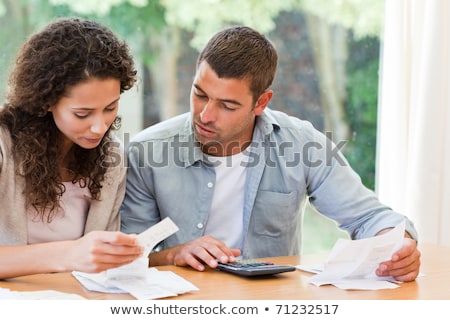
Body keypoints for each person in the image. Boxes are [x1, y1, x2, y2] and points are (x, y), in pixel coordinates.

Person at [120, 26, 421, 282]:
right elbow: (129, 257)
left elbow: (370, 217)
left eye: (227, 105)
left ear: (261, 102)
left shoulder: (301, 144)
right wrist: (174, 254)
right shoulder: (147, 152)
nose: (206, 115)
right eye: (200, 94)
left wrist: (398, 247)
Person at [0, 17, 143, 279]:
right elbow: (76, 256)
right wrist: (69, 254)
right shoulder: (3, 146)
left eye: (110, 108)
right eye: (82, 114)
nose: (100, 127)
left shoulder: (111, 158)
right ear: (46, 102)